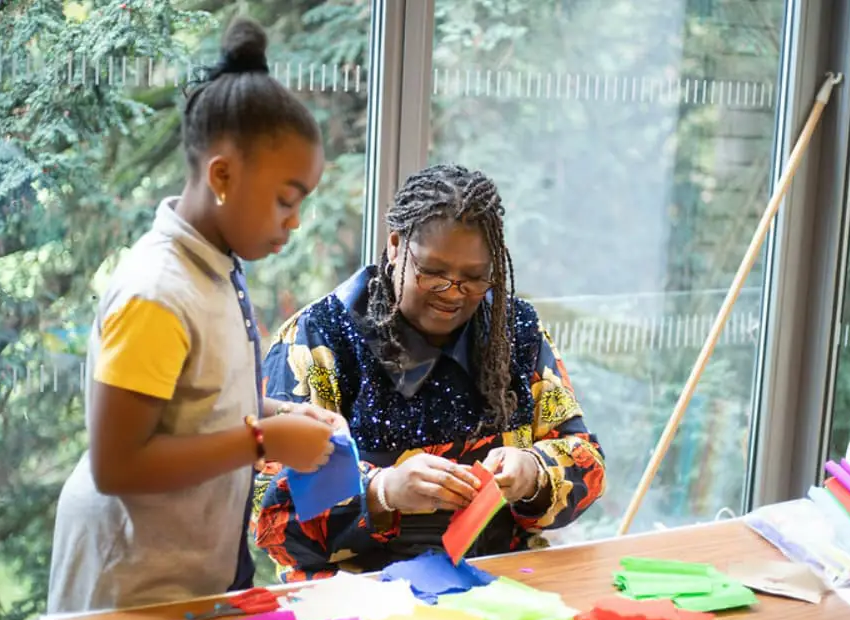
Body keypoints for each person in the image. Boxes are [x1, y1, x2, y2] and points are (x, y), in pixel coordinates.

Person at [47, 17, 345, 613]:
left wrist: (279, 414)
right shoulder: (156, 293)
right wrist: (262, 439)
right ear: (223, 176)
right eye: (286, 200)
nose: (295, 222)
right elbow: (118, 462)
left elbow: (194, 408)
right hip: (124, 589)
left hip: (183, 580)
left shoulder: (216, 269)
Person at [252, 164, 607, 582]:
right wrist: (382, 492)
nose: (452, 293)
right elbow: (271, 512)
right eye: (433, 272)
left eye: (474, 278)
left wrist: (532, 471)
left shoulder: (515, 330)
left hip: (499, 585)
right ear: (395, 245)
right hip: (361, 597)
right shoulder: (317, 340)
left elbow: (586, 461)